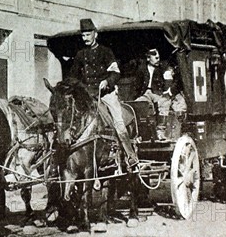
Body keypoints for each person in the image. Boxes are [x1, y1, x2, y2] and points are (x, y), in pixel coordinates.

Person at [70, 18, 139, 168]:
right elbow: (73, 76)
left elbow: (115, 73)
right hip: (88, 94)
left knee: (118, 121)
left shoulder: (106, 52)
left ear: (95, 34)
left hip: (106, 93)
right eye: (83, 35)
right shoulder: (80, 55)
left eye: (88, 35)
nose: (85, 38)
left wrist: (107, 82)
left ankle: (130, 155)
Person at [134, 48, 187, 141]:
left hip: (158, 93)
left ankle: (160, 131)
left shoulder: (162, 68)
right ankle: (140, 133)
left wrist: (168, 92)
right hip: (146, 93)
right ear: (148, 58)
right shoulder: (142, 68)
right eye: (154, 56)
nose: (157, 58)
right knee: (138, 104)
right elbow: (137, 85)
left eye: (158, 55)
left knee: (164, 103)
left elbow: (171, 81)